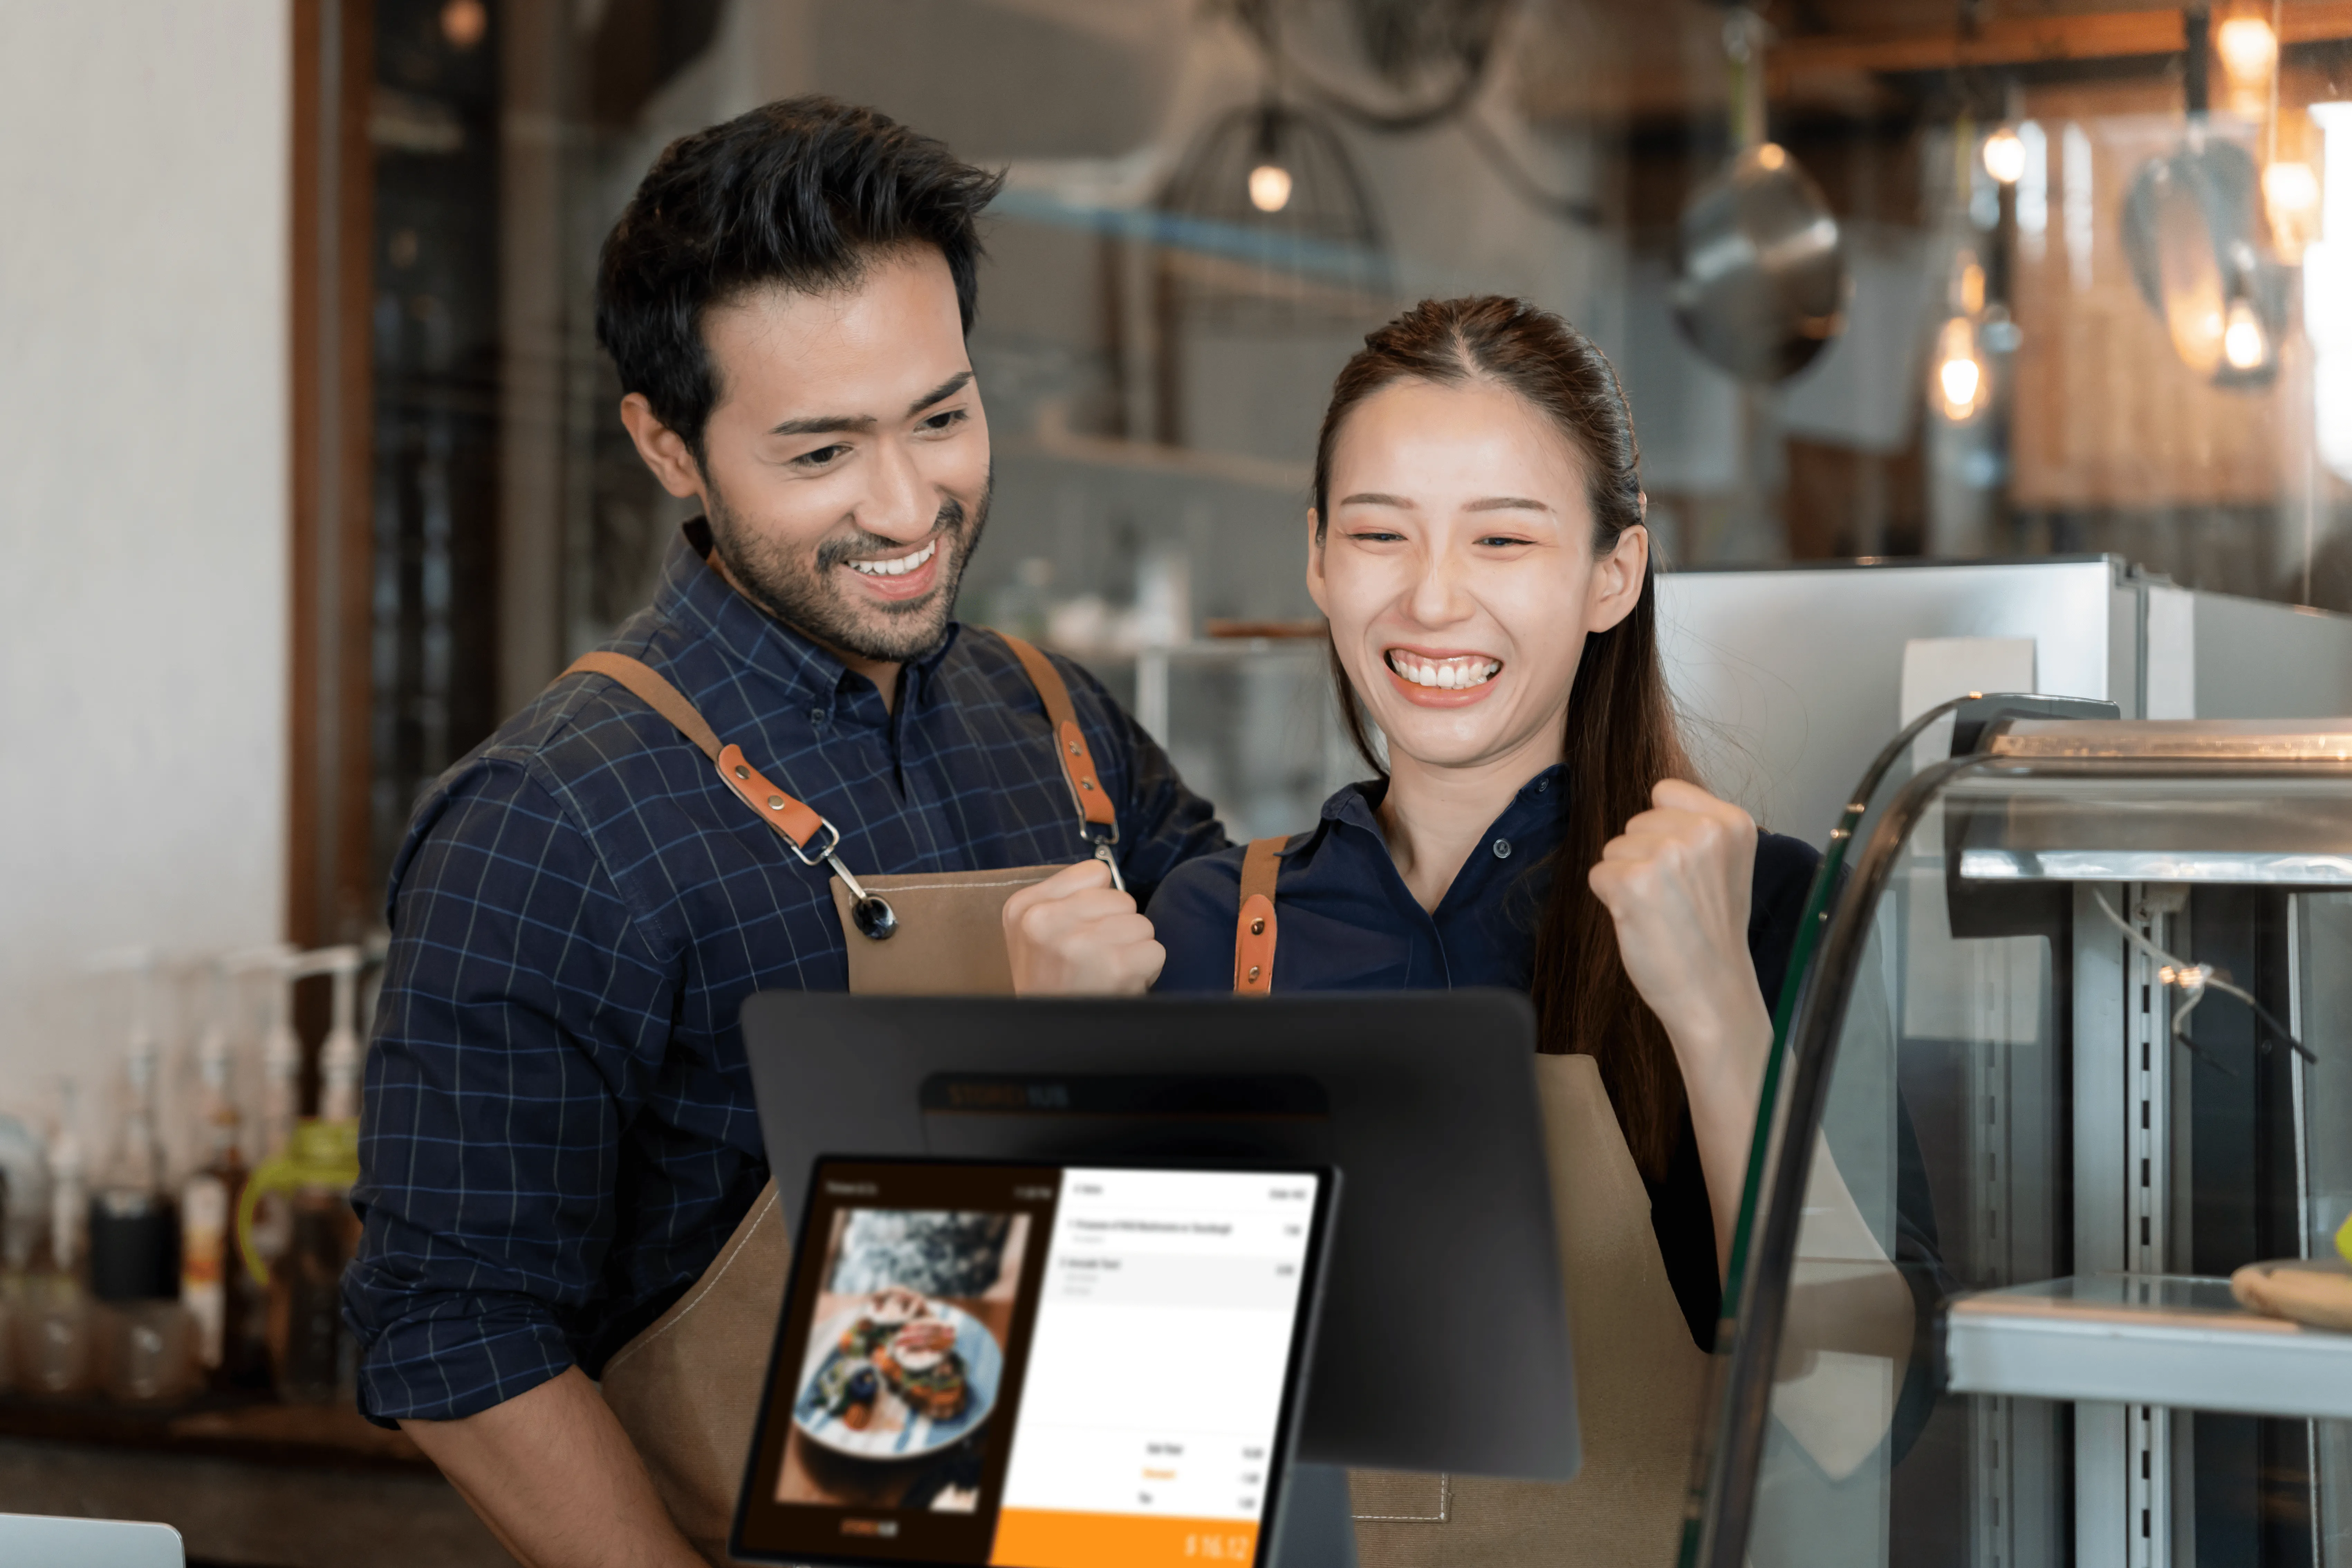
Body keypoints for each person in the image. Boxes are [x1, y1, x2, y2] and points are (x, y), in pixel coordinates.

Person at [342, 98, 1212, 1567]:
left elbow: (1267, 1045)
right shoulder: (551, 820)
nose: (907, 502)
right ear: (666, 445)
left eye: (941, 416)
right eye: (821, 452)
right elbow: (448, 1324)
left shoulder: (1060, 722)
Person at [1121, 296, 1926, 1564]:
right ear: (1321, 559)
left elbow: (1850, 1417)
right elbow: (1125, 1439)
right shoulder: (1215, 926)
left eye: (1503, 539)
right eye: (1382, 534)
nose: (1434, 598)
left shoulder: (1765, 903)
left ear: (1615, 574)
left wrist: (1714, 1002)